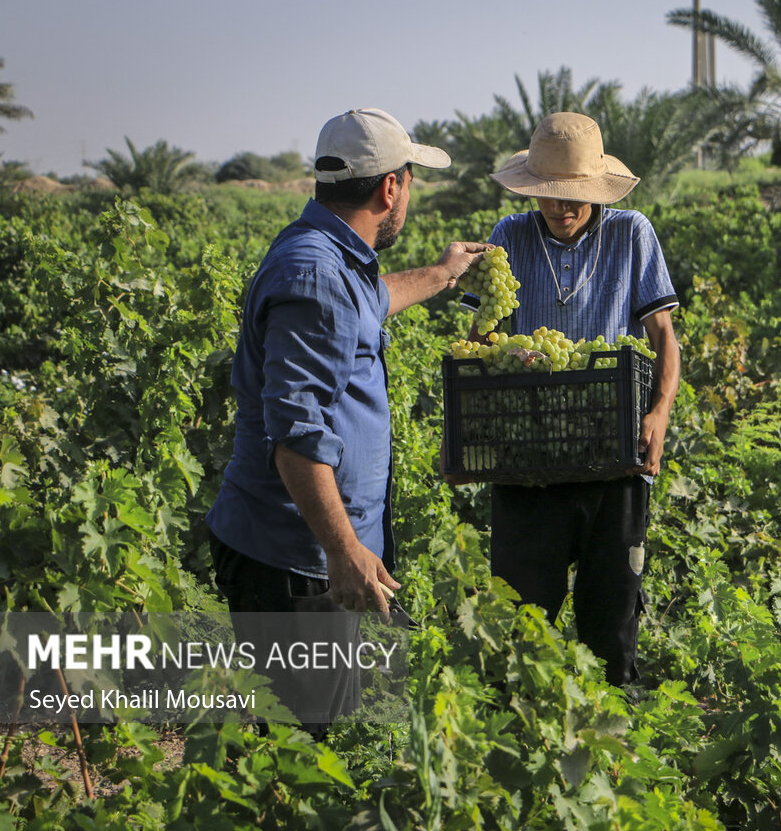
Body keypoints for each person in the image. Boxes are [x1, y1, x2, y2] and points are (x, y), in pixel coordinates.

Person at [206, 108, 490, 735]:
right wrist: (343, 550)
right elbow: (295, 432)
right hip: (298, 563)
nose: (407, 196)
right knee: (301, 754)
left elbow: (372, 302)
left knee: (318, 735)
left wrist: (443, 274)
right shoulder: (316, 274)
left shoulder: (332, 256)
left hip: (310, 556)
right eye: (410, 181)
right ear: (391, 187)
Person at [459, 112, 681, 688]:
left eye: (575, 198)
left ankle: (612, 746)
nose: (562, 209)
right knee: (520, 624)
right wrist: (497, 351)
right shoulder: (508, 236)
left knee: (611, 625)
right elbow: (481, 340)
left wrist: (657, 414)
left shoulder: (633, 234)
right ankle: (522, 736)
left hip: (614, 448)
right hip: (530, 455)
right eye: (550, 197)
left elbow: (664, 341)